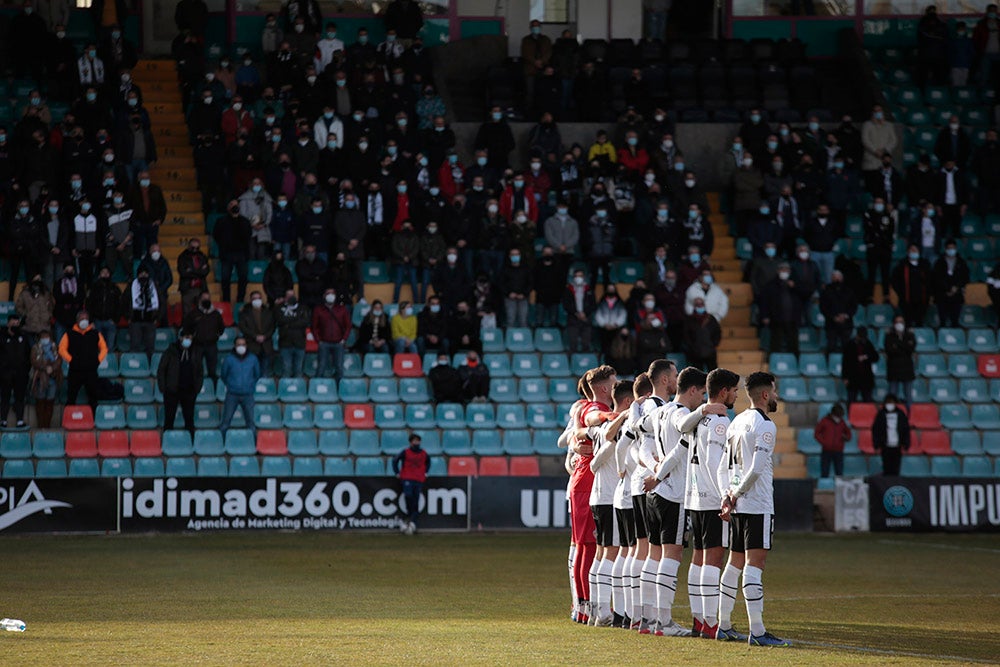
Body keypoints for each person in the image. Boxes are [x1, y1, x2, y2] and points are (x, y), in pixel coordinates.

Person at [638, 366, 718, 636]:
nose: (703, 399)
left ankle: (646, 619)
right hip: (673, 493)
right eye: (702, 395)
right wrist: (705, 411)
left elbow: (641, 439)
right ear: (693, 390)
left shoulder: (659, 411)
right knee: (671, 556)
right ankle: (664, 622)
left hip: (656, 496)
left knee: (654, 555)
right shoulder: (682, 413)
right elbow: (681, 438)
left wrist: (652, 470)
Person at [718, 371, 790, 647]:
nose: (775, 396)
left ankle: (723, 626)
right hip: (756, 503)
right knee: (754, 565)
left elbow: (723, 466)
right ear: (764, 394)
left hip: (737, 504)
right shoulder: (765, 425)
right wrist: (734, 494)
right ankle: (757, 631)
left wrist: (728, 495)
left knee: (734, 562)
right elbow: (757, 468)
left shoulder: (737, 421)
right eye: (773, 391)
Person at [683, 367, 740, 639]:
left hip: (694, 497)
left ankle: (698, 619)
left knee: (698, 559)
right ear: (724, 391)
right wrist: (725, 497)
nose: (737, 395)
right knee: (713, 561)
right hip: (711, 498)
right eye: (735, 390)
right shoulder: (720, 422)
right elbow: (717, 463)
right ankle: (710, 623)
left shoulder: (698, 419)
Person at [581, 379, 634, 626]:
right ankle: (606, 613)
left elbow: (581, 433)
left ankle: (597, 611)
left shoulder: (602, 425)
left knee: (602, 554)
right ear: (626, 402)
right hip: (611, 496)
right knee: (612, 554)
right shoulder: (619, 426)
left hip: (598, 495)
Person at [58, 310, 108, 413]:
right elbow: (61, 349)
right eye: (81, 318)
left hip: (91, 370)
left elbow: (104, 348)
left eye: (86, 318)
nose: (84, 321)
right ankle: (69, 419)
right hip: (75, 371)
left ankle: (94, 420)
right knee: (71, 397)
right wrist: (71, 360)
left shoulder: (95, 333)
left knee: (93, 398)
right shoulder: (69, 334)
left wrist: (97, 360)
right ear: (77, 320)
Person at [157, 329, 202, 440]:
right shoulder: (170, 351)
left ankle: (190, 442)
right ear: (180, 338)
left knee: (189, 419)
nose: (188, 340)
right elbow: (161, 370)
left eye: (190, 338)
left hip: (189, 391)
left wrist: (197, 387)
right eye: (186, 337)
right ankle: (167, 441)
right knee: (169, 419)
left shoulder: (195, 352)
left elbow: (200, 371)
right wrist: (163, 388)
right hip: (172, 391)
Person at [218, 337, 261, 439]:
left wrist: (250, 385)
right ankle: (220, 443)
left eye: (243, 344)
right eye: (238, 344)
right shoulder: (229, 359)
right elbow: (224, 375)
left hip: (248, 395)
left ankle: (253, 445)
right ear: (235, 346)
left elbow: (257, 374)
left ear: (246, 346)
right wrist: (230, 384)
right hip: (232, 394)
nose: (241, 347)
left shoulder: (253, 359)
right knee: (225, 422)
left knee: (250, 422)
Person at [393, 433, 431, 535]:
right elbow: (395, 460)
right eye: (414, 441)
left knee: (416, 500)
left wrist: (426, 472)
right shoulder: (405, 452)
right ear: (410, 442)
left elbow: (428, 462)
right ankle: (410, 517)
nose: (416, 442)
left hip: (418, 479)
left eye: (418, 441)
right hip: (407, 478)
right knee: (408, 496)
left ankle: (413, 522)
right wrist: (397, 472)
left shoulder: (423, 453)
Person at [214, 200, 252, 303]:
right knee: (225, 279)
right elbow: (216, 235)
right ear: (227, 207)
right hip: (227, 254)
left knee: (243, 277)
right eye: (231, 204)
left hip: (241, 254)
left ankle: (240, 300)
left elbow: (248, 236)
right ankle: (226, 301)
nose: (234, 206)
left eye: (236, 204)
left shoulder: (244, 221)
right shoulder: (221, 221)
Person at [182, 292, 225, 380]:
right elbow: (186, 327)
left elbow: (221, 328)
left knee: (212, 370)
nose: (206, 300)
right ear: (200, 300)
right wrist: (190, 335)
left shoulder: (216, 314)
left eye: (208, 298)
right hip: (197, 345)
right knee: (196, 369)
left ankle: (213, 387)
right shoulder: (193, 314)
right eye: (204, 298)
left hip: (212, 345)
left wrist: (216, 335)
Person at [0, 315, 32, 428]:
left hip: (21, 373)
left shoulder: (23, 337)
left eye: (17, 324)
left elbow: (29, 354)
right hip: (5, 374)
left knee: (20, 397)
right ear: (8, 324)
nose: (15, 326)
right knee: (5, 397)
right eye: (13, 324)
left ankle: (19, 420)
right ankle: (3, 420)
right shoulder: (2, 337)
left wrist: (26, 369)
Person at [312, 288, 350, 380]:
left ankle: (339, 390)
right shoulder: (318, 310)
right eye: (328, 293)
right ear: (324, 296)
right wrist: (318, 340)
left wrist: (343, 339)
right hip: (324, 343)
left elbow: (348, 326)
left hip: (338, 343)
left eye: (332, 293)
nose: (330, 295)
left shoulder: (342, 309)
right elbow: (314, 327)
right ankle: (317, 387)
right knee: (321, 367)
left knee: (339, 368)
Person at [932, 239, 970, 328]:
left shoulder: (961, 262)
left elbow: (965, 277)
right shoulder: (939, 262)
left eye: (953, 248)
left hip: (957, 295)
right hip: (942, 294)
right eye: (949, 248)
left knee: (955, 320)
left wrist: (956, 287)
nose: (951, 250)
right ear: (945, 249)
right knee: (942, 321)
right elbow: (936, 278)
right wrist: (947, 289)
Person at [891, 245, 932, 327]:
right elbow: (894, 280)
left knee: (920, 322)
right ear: (908, 252)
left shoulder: (925, 264)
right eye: (911, 250)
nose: (913, 252)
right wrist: (901, 292)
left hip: (922, 300)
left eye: (915, 250)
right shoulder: (902, 265)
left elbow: (930, 281)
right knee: (907, 323)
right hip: (906, 300)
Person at [29, 329, 62, 428]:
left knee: (50, 402)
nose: (45, 339)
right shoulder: (35, 348)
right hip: (41, 378)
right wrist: (45, 367)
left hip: (53, 377)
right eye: (43, 337)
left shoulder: (55, 347)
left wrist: (52, 368)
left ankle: (47, 425)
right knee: (40, 401)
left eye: (46, 337)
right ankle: (41, 425)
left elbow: (59, 360)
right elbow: (34, 361)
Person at [819, 271, 858, 354]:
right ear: (831, 278)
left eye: (838, 277)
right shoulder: (826, 291)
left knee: (847, 347)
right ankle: (829, 364)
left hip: (846, 324)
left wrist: (846, 316)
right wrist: (833, 317)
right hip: (831, 324)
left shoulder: (849, 291)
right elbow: (823, 307)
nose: (837, 279)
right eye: (834, 277)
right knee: (831, 346)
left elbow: (854, 306)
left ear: (842, 278)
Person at [125, 266, 158, 360]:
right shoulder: (131, 286)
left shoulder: (154, 286)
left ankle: (150, 365)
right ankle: (135, 365)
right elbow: (124, 302)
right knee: (135, 345)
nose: (143, 275)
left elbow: (162, 302)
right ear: (138, 274)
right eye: (141, 273)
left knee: (150, 346)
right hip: (135, 321)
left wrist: (157, 317)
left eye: (145, 273)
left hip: (150, 321)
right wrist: (128, 316)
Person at [239, 291, 275, 376]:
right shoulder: (244, 312)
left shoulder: (268, 312)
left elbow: (272, 327)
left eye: (259, 298)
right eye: (254, 299)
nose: (257, 300)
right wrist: (255, 336)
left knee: (265, 372)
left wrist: (265, 336)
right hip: (252, 345)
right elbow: (243, 327)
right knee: (251, 371)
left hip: (266, 345)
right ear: (250, 300)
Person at [275, 289, 310, 377]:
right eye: (288, 296)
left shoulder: (303, 308)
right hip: (285, 343)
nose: (291, 297)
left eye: (292, 295)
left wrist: (288, 324)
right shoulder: (279, 308)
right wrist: (297, 318)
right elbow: (280, 320)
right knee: (287, 369)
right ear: (285, 298)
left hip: (300, 343)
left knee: (298, 370)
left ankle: (297, 390)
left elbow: (305, 322)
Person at [872, 394, 909, 476]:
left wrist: (906, 444)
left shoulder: (901, 414)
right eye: (888, 402)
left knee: (896, 468)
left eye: (891, 402)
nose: (890, 404)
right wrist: (876, 445)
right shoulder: (881, 414)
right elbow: (876, 430)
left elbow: (905, 429)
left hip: (897, 446)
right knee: (886, 468)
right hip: (885, 446)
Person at [884, 316, 916, 409]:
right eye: (897, 322)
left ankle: (910, 417)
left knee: (908, 395)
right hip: (893, 369)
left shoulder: (910, 335)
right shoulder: (889, 336)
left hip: (907, 369)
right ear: (894, 324)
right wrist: (904, 346)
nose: (899, 324)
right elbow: (889, 350)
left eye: (901, 322)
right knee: (892, 395)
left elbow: (911, 348)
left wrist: (897, 345)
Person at [841, 326, 878, 405]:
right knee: (851, 401)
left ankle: (868, 416)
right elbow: (845, 362)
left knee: (868, 401)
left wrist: (866, 357)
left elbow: (875, 357)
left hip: (866, 377)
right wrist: (845, 377)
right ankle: (851, 416)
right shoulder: (850, 345)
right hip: (853, 377)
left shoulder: (868, 344)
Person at [683, 298, 722, 371]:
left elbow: (718, 332)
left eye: (701, 304)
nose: (700, 307)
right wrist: (692, 347)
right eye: (698, 305)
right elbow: (686, 336)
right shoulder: (689, 320)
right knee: (698, 376)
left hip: (710, 352)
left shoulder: (711, 319)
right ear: (694, 306)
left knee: (713, 374)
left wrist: (713, 344)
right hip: (696, 353)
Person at [814, 404, 851, 478]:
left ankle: (839, 487)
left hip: (838, 450)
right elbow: (816, 433)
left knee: (839, 472)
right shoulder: (824, 421)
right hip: (826, 450)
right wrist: (824, 442)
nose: (839, 418)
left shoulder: (842, 422)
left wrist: (845, 438)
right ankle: (825, 487)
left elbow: (848, 434)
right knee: (825, 471)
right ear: (833, 414)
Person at [563, 269, 595, 353]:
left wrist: (585, 313)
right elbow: (566, 304)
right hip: (573, 318)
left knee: (586, 342)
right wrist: (575, 313)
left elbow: (593, 304)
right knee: (573, 342)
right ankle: (573, 361)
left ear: (583, 277)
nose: (578, 278)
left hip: (586, 318)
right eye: (577, 276)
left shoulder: (589, 289)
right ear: (573, 277)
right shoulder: (568, 289)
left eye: (580, 276)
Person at [177, 238, 210, 314]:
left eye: (197, 248)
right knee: (187, 312)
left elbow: (206, 271)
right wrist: (199, 271)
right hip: (188, 287)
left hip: (201, 287)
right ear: (189, 246)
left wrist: (191, 270)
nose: (195, 250)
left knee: (202, 310)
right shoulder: (182, 257)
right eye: (193, 248)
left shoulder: (202, 256)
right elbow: (183, 272)